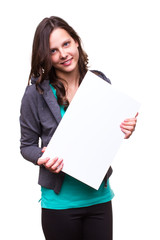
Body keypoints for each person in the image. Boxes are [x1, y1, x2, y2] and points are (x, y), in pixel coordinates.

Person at [20, 16, 138, 240]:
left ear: (76, 42)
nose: (63, 54)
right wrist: (41, 158)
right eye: (53, 50)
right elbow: (26, 146)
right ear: (45, 56)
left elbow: (105, 135)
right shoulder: (35, 94)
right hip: (59, 204)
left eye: (66, 44)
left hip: (99, 199)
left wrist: (125, 129)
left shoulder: (100, 82)